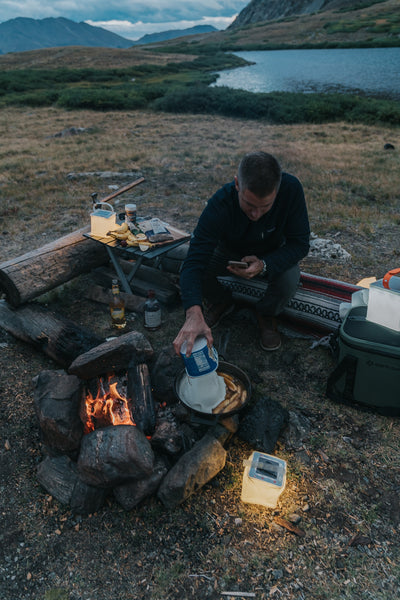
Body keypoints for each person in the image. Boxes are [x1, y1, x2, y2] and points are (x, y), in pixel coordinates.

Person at [173, 151, 310, 357]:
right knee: (190, 268)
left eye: (265, 207)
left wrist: (265, 264)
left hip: (273, 252)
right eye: (249, 205)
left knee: (289, 281)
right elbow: (195, 260)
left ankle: (265, 313)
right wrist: (193, 313)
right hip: (229, 252)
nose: (256, 215)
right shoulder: (220, 203)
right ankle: (221, 301)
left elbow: (300, 244)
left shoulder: (291, 190)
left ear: (278, 190)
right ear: (237, 184)